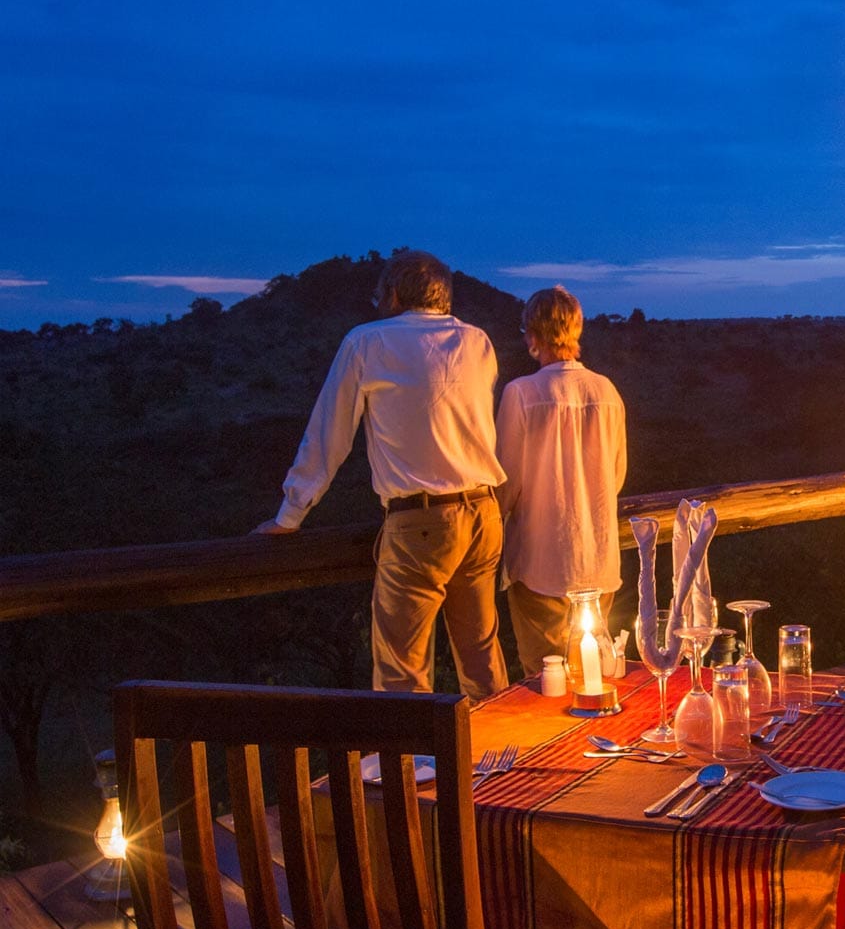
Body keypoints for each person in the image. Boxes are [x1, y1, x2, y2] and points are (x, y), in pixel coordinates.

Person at [252, 250, 509, 699]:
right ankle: (503, 761)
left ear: (392, 294)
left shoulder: (367, 342)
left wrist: (289, 516)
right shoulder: (477, 342)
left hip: (421, 524)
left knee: (401, 672)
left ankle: (411, 767)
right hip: (484, 514)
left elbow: (329, 434)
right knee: (481, 660)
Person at [495, 285, 628, 676]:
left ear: (533, 337)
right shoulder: (606, 391)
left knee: (544, 676)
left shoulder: (521, 394)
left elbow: (507, 483)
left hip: (540, 563)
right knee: (594, 675)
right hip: (599, 561)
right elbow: (615, 476)